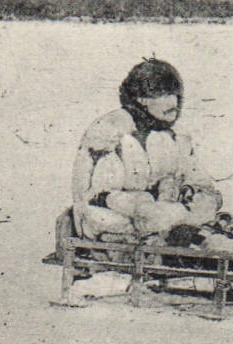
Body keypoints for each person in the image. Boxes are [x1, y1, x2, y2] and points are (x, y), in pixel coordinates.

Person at [71, 58, 224, 242]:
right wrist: (148, 209)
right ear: (141, 99)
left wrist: (193, 194)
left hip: (167, 225)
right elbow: (97, 197)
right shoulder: (108, 131)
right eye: (162, 94)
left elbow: (201, 183)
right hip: (111, 229)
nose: (173, 102)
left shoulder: (176, 136)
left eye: (175, 94)